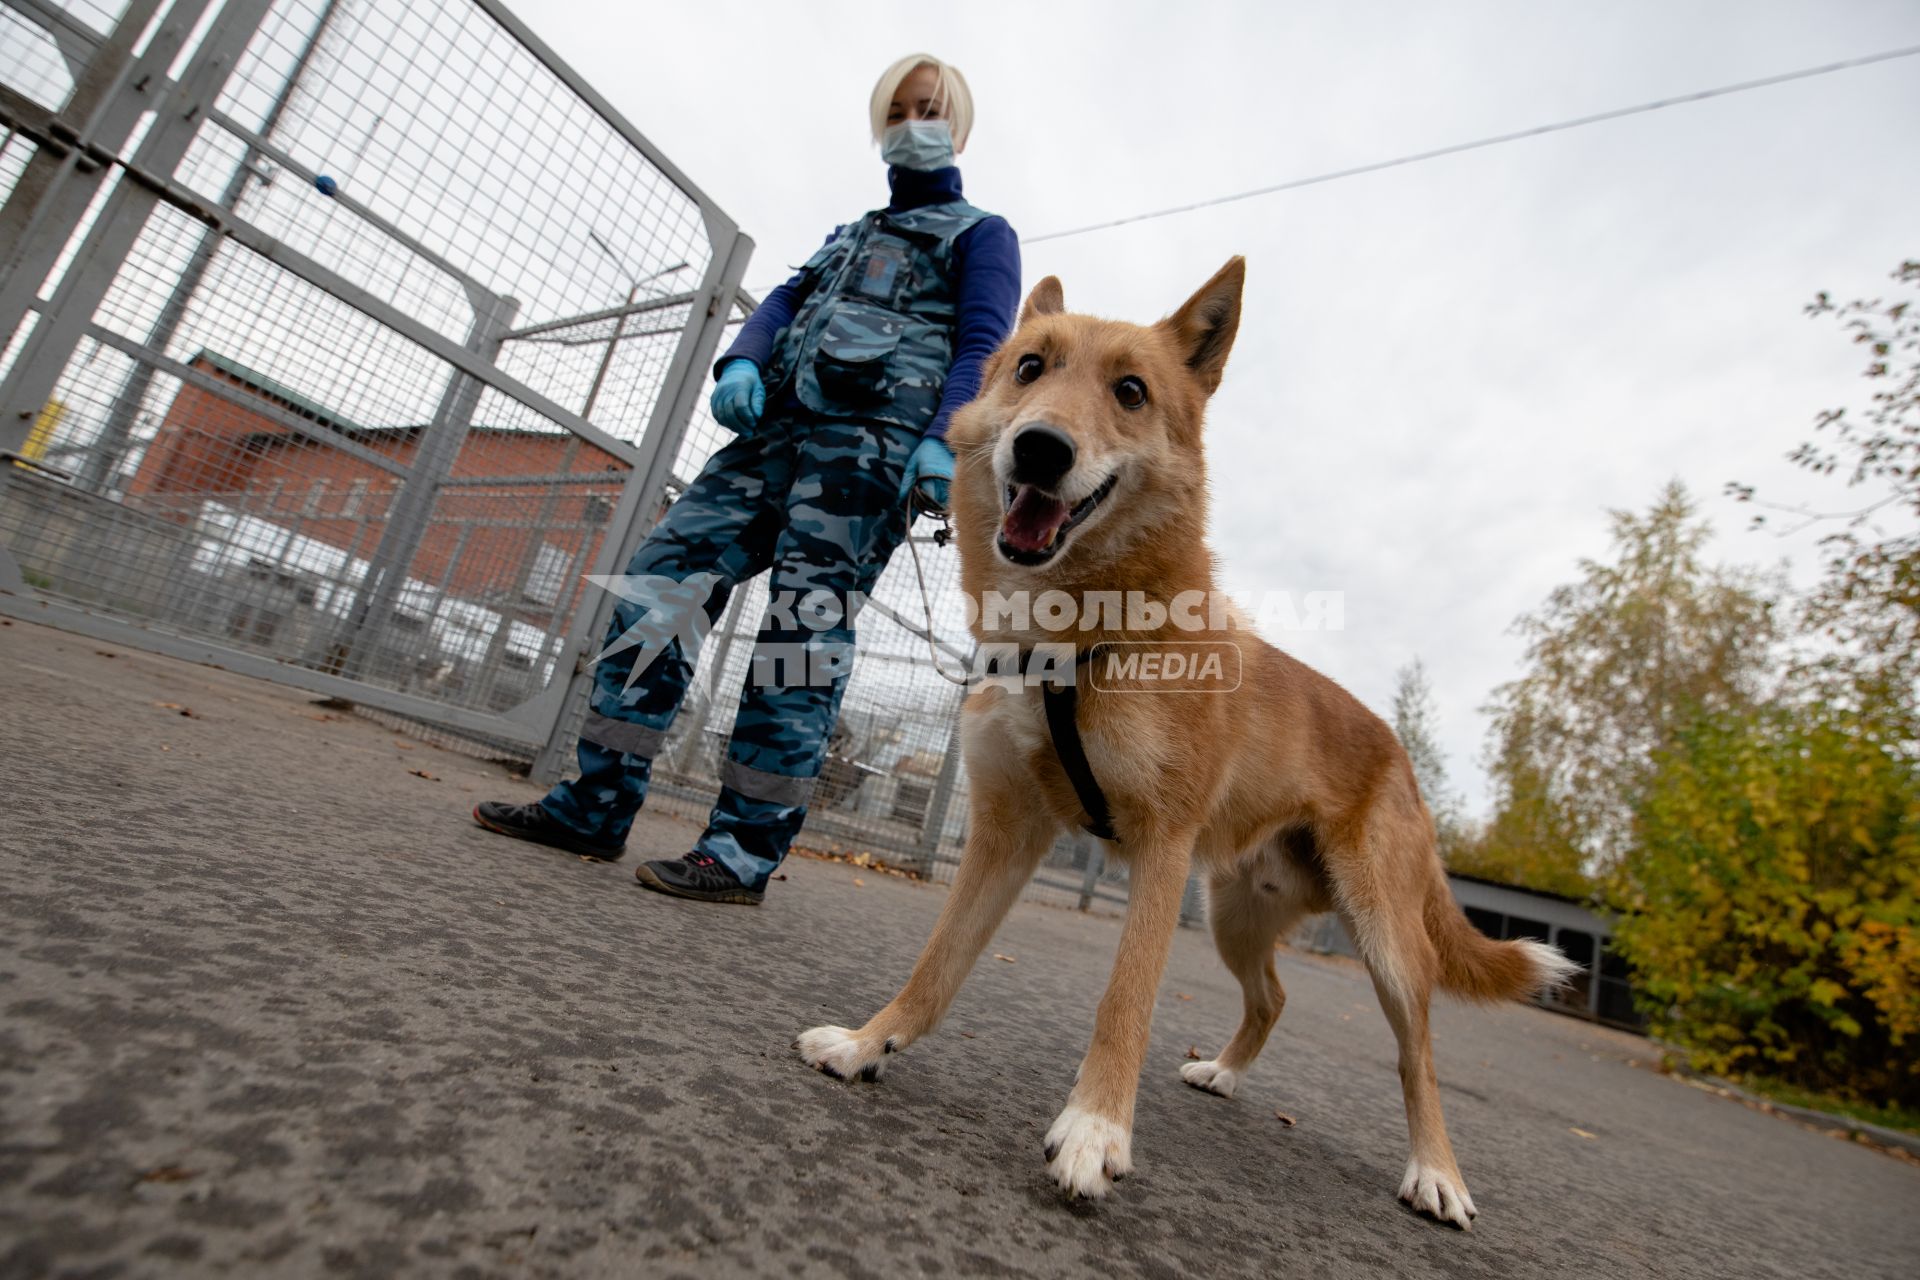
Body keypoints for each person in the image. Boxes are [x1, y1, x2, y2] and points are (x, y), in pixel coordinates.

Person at [474, 54, 1021, 906]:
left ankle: (740, 850)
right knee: (660, 581)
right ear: (883, 124)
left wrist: (946, 442)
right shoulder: (849, 234)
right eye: (903, 109)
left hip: (869, 455)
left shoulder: (981, 233)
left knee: (800, 634)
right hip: (773, 437)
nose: (916, 122)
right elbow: (780, 302)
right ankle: (595, 804)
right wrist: (743, 362)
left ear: (960, 128)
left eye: (934, 111)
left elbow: (986, 341)